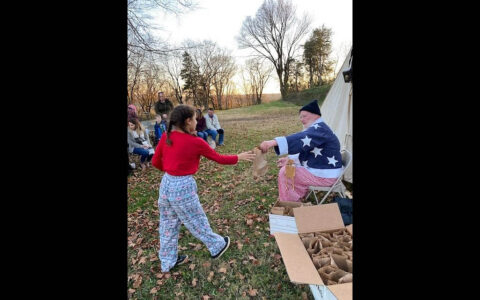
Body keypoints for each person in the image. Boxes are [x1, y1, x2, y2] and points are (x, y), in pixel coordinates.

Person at [151, 104, 256, 272]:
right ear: (187, 121)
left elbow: (155, 162)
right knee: (196, 219)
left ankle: (167, 261)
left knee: (167, 224)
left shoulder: (166, 136)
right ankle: (217, 246)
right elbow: (219, 158)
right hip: (182, 186)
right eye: (195, 119)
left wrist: (172, 168)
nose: (197, 121)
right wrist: (239, 156)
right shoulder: (196, 142)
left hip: (166, 184)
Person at [259, 99, 342, 202]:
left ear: (316, 115)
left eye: (304, 116)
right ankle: (294, 198)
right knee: (289, 167)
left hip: (325, 176)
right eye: (300, 117)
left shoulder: (319, 129)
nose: (301, 119)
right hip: (323, 169)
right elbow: (309, 151)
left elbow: (301, 138)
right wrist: (289, 159)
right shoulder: (319, 128)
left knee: (286, 172)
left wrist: (272, 142)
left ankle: (289, 203)